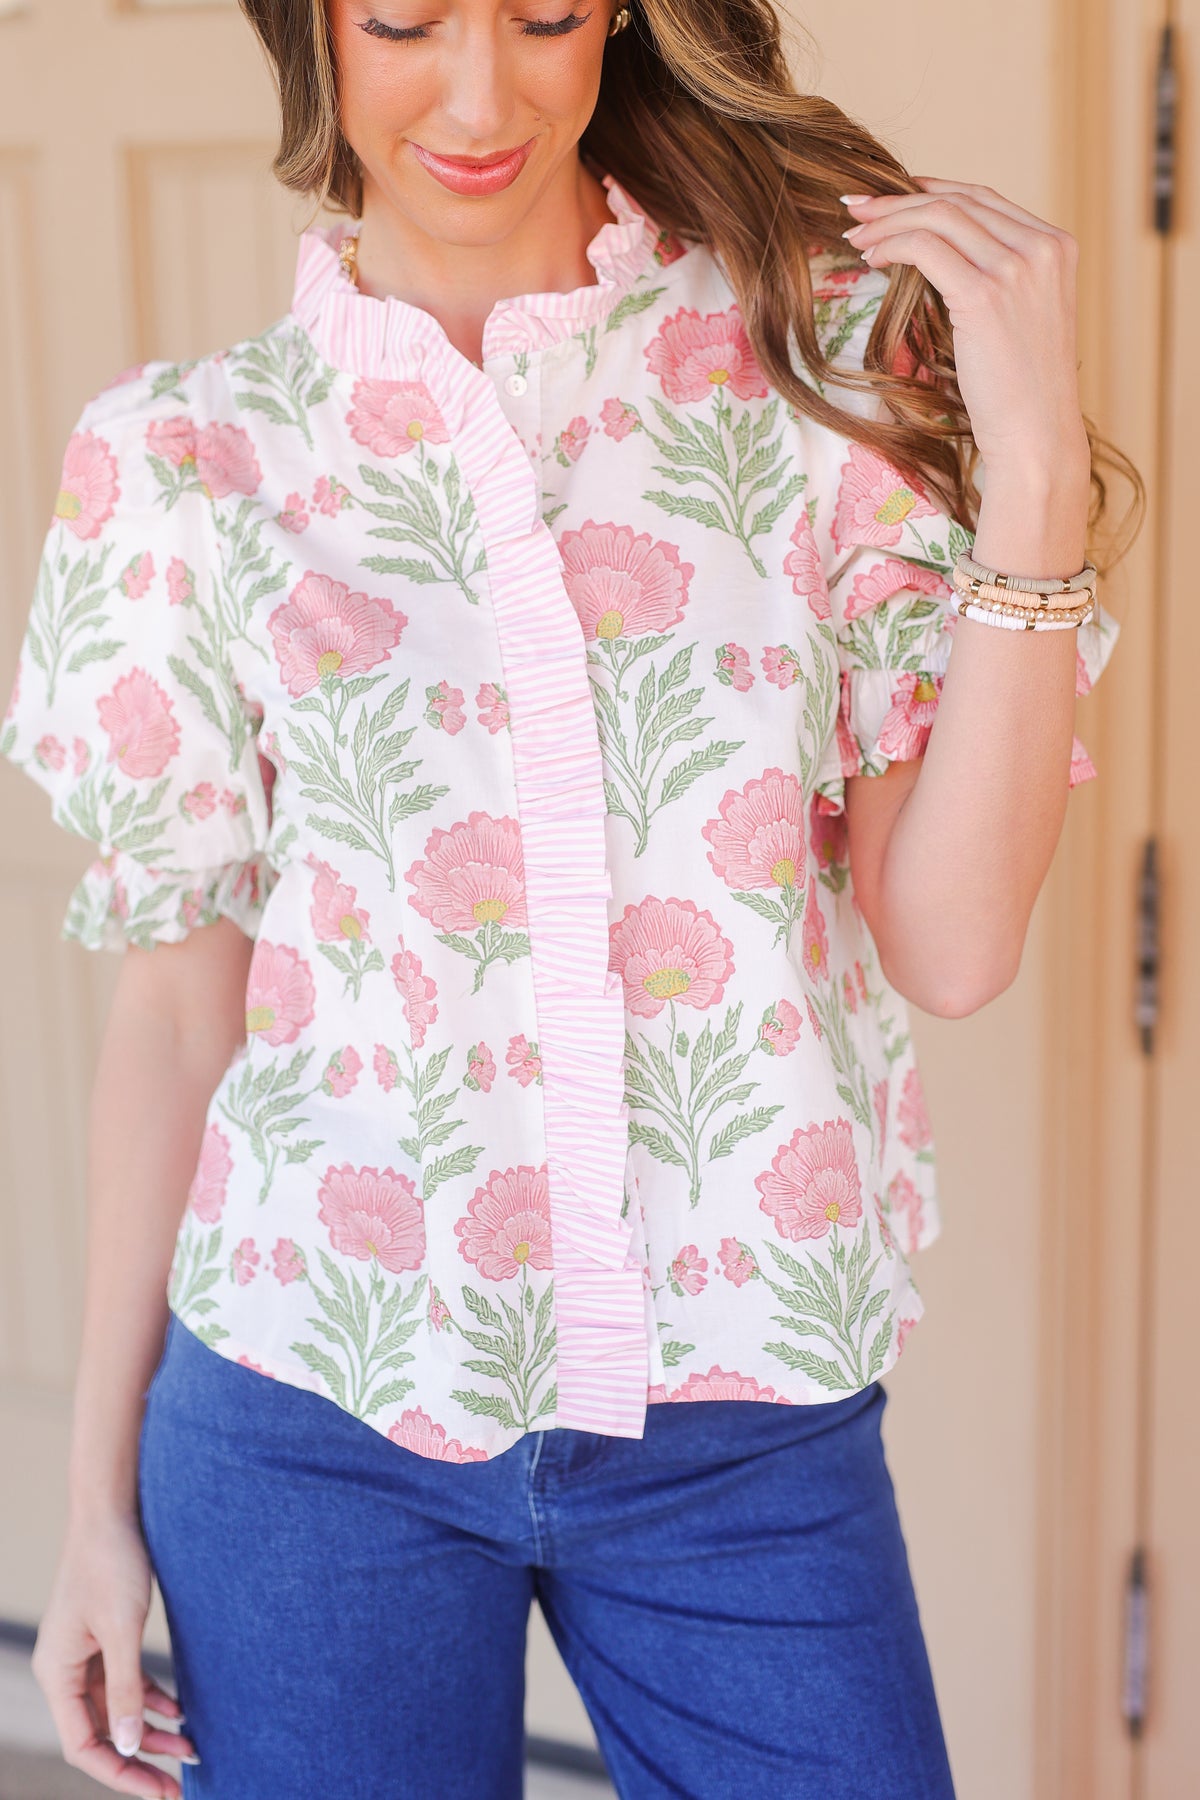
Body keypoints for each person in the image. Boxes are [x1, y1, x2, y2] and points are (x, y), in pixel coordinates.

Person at [1, 1, 1138, 1796]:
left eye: (543, 13)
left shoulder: (818, 374)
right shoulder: (183, 462)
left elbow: (956, 942)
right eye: (404, 19)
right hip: (308, 1412)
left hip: (743, 1430)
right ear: (312, 26)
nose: (480, 93)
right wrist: (88, 1504)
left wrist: (1041, 476)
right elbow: (175, 1006)